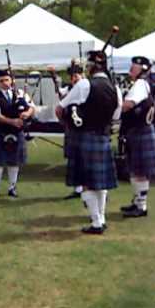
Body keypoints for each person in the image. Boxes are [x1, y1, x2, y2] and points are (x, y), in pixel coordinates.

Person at [55, 51, 122, 234]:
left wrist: (69, 124)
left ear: (91, 66)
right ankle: (101, 219)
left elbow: (60, 109)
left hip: (83, 137)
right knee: (100, 182)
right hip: (103, 137)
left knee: (86, 182)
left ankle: (96, 223)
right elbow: (116, 117)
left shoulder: (85, 84)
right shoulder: (115, 89)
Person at [119, 56, 155, 218]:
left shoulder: (140, 84)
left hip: (140, 131)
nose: (131, 68)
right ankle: (137, 203)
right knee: (136, 170)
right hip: (138, 131)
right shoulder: (141, 84)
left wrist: (114, 106)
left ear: (143, 69)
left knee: (139, 171)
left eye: (134, 66)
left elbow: (128, 105)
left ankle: (141, 206)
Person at [0, 69, 35, 198]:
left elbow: (31, 107)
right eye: (1, 81)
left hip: (17, 132)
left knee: (14, 162)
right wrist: (12, 121)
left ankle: (12, 188)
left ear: (11, 80)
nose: (4, 83)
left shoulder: (20, 93)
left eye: (6, 80)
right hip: (2, 131)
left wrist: (27, 113)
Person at [48, 64, 84, 200]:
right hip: (71, 128)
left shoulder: (86, 88)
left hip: (84, 128)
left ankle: (89, 188)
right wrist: (53, 75)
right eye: (72, 77)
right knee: (74, 159)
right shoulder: (69, 89)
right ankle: (78, 189)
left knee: (84, 159)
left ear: (82, 76)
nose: (74, 79)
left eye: (76, 76)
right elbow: (60, 91)